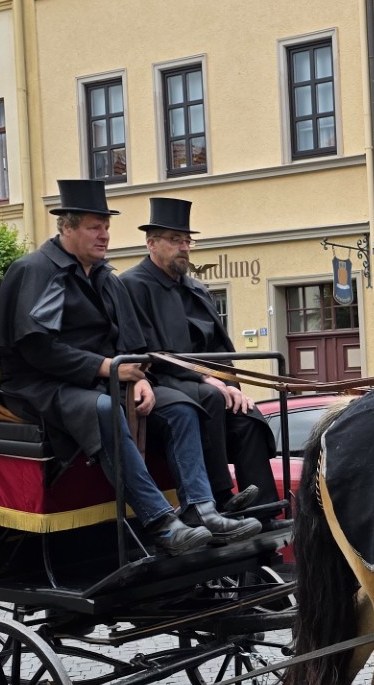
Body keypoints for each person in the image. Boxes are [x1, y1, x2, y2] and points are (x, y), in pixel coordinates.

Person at [0, 179, 261, 556]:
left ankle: (201, 508)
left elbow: (132, 342)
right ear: (67, 227)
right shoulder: (35, 270)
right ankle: (160, 522)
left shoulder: (105, 278)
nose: (105, 235)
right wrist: (106, 368)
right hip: (43, 384)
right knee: (105, 409)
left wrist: (140, 379)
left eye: (107, 227)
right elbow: (37, 348)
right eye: (95, 227)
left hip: (110, 378)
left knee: (179, 405)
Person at [120, 196, 283, 528]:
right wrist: (205, 381)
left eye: (187, 241)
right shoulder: (131, 285)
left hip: (206, 382)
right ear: (151, 243)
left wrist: (235, 388)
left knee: (248, 416)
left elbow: (222, 349)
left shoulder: (197, 289)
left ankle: (263, 512)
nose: (184, 247)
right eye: (175, 240)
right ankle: (221, 500)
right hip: (162, 383)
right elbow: (145, 350)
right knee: (209, 397)